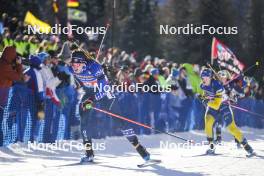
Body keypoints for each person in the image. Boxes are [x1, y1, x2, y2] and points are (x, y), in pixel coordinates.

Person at [69, 50, 152, 163]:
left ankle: (140, 148)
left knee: (120, 122)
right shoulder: (71, 68)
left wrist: (91, 100)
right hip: (89, 93)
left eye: (76, 64)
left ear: (83, 63)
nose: (74, 67)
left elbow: (103, 89)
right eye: (72, 64)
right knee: (83, 122)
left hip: (104, 93)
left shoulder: (94, 67)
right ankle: (89, 154)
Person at [199, 68, 255, 157]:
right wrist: (204, 97)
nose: (204, 79)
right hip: (212, 106)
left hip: (223, 106)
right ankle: (211, 147)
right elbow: (206, 94)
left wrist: (206, 102)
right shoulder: (202, 85)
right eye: (203, 77)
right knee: (208, 122)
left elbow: (216, 105)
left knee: (231, 128)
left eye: (206, 77)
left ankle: (248, 147)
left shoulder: (217, 86)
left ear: (210, 77)